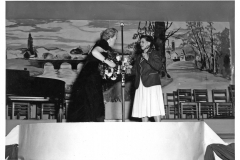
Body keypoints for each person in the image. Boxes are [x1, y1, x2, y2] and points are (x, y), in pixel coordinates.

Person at [67, 28, 118, 122]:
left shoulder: (101, 44)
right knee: (95, 103)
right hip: (91, 77)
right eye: (115, 38)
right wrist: (109, 62)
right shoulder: (103, 43)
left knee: (88, 103)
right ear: (110, 38)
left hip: (87, 76)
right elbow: (95, 52)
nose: (115, 40)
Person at [128, 35, 165, 122]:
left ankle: (159, 127)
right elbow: (134, 70)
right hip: (141, 85)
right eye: (140, 42)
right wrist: (128, 68)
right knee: (143, 109)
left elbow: (159, 66)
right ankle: (145, 130)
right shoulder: (139, 56)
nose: (140, 44)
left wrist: (148, 58)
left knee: (155, 107)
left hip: (151, 84)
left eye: (142, 42)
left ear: (149, 43)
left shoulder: (154, 53)